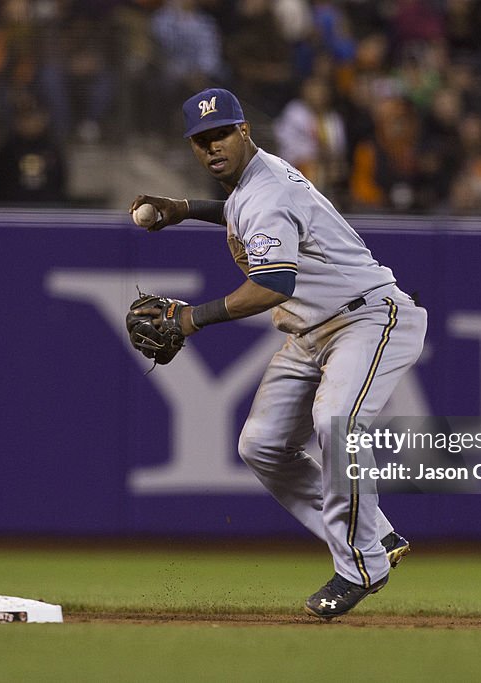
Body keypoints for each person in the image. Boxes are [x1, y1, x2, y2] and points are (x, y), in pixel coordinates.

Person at [129, 88, 427, 619]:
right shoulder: (255, 182)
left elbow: (272, 284)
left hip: (367, 318)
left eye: (221, 133)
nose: (212, 146)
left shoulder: (266, 190)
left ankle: (362, 564)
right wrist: (185, 209)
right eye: (201, 140)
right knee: (261, 445)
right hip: (313, 331)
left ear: (245, 130)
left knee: (337, 422)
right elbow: (244, 213)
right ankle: (375, 534)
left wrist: (189, 318)